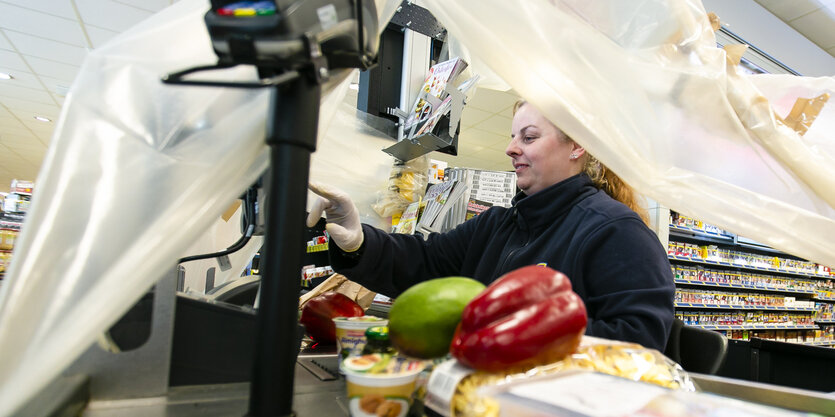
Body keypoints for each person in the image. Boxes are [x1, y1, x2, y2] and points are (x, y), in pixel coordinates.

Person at [307, 101, 675, 351]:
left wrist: (519, 330)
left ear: (576, 146)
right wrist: (358, 242)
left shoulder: (615, 231)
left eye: (528, 137)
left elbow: (639, 339)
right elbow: (426, 262)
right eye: (513, 137)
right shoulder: (499, 224)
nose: (511, 148)